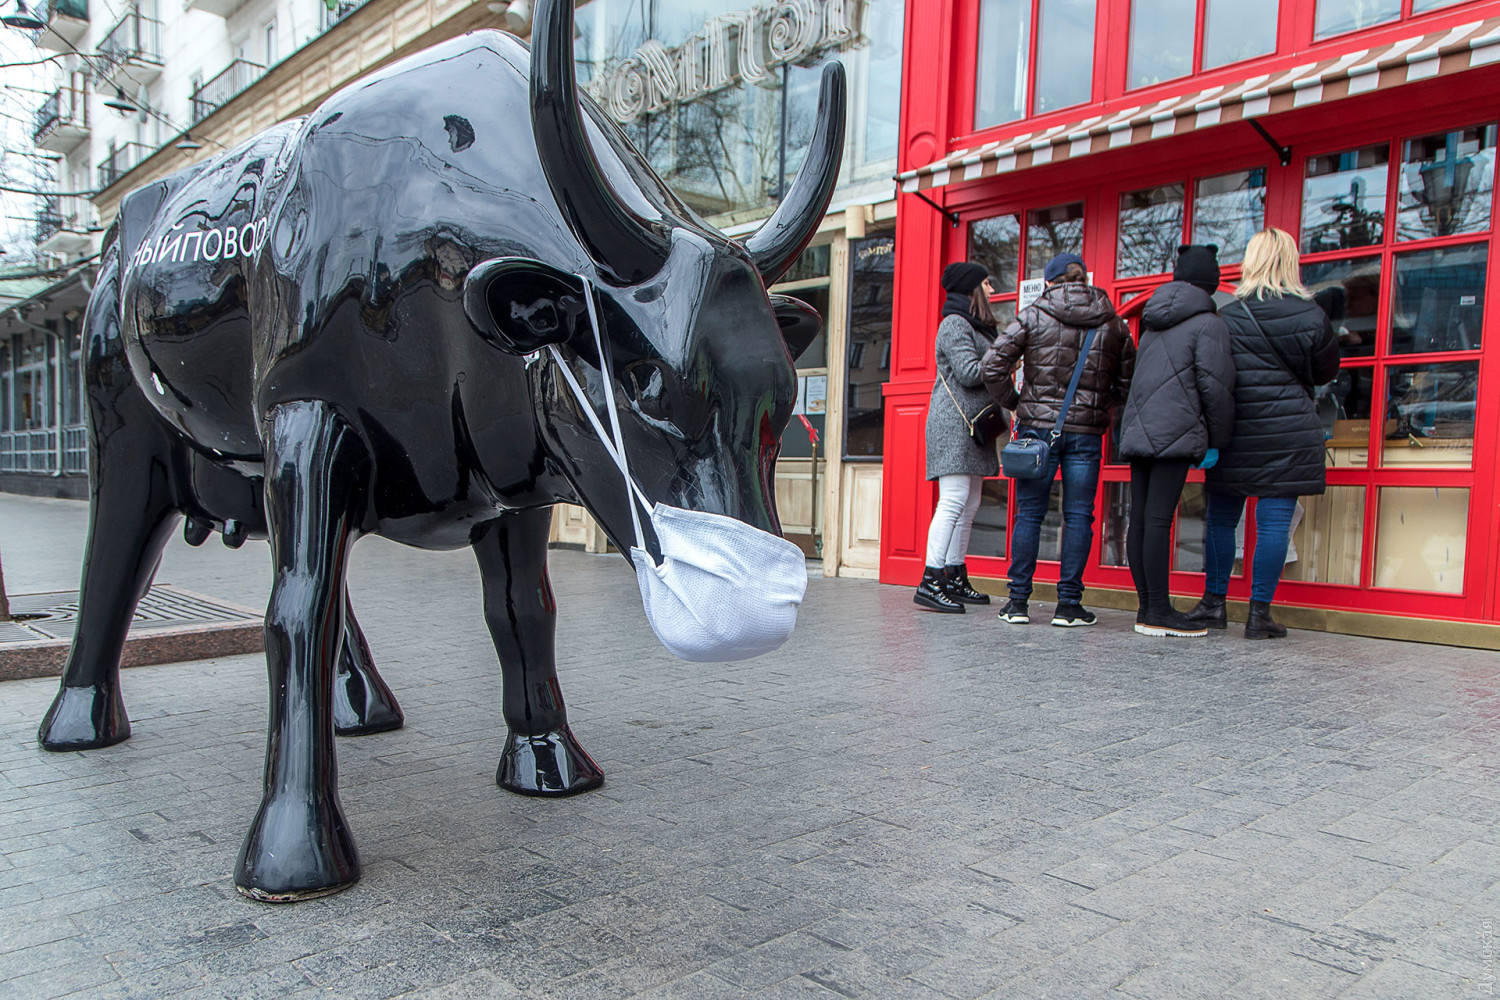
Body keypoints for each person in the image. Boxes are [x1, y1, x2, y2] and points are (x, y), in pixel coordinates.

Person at [1183, 228, 1340, 639]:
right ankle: (1259, 615)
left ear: (1249, 262)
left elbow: (1212, 376)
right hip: (1290, 433)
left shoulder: (1226, 316)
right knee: (1274, 527)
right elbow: (1326, 372)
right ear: (1291, 262)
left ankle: (1213, 605)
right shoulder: (1312, 314)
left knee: (1220, 521)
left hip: (1235, 430)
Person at [981, 252, 1134, 627]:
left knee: (1030, 514)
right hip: (1087, 433)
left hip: (1037, 431)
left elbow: (992, 365)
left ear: (1050, 282)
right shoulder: (1113, 322)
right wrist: (1100, 406)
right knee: (1079, 515)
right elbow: (1128, 381)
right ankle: (1068, 606)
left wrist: (1016, 403)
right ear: (1084, 280)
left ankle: (1017, 603)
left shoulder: (1034, 315)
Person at [1118, 245, 1236, 638]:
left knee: (1140, 519)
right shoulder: (1209, 323)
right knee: (1158, 520)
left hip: (1139, 429)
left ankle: (1147, 608)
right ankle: (1161, 612)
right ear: (1211, 282)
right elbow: (1215, 389)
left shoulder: (1152, 321)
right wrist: (1217, 440)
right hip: (1176, 432)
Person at [914, 262, 1018, 612]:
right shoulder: (954, 324)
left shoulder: (978, 328)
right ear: (972, 289)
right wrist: (1005, 354)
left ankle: (954, 575)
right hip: (955, 425)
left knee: (970, 504)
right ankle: (930, 579)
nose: (991, 290)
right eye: (987, 284)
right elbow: (971, 372)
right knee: (954, 500)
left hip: (975, 426)